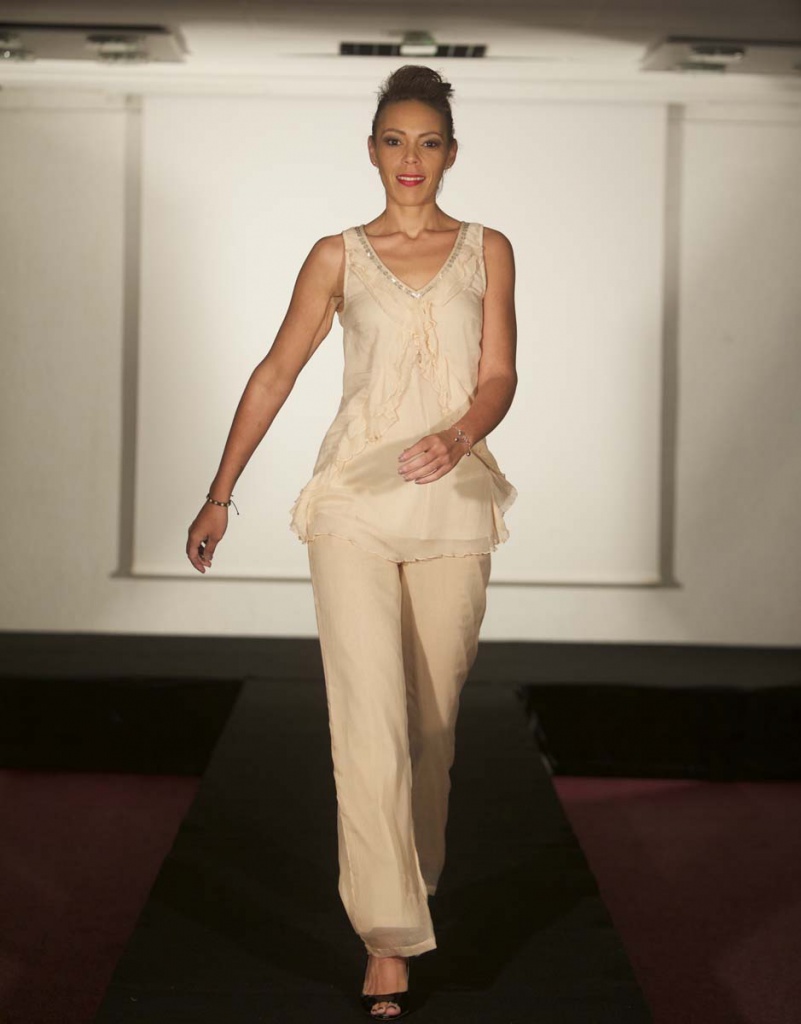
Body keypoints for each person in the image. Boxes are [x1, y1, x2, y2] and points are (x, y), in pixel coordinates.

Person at [186, 64, 518, 1020]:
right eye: (393, 140)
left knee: (430, 731)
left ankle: (410, 889)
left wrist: (458, 435)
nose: (410, 158)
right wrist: (220, 494)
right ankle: (386, 938)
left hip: (452, 504)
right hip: (352, 507)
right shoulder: (336, 255)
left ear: (449, 153)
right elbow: (275, 371)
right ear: (371, 150)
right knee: (366, 723)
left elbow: (498, 375)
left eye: (427, 141)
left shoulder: (489, 249)